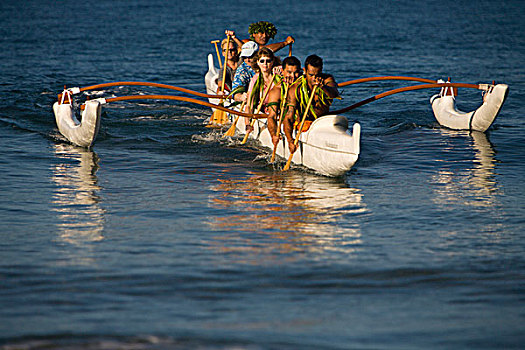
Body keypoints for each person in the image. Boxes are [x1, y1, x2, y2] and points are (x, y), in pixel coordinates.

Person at [283, 55, 340, 154]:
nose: (314, 78)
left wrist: (323, 88)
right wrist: (290, 141)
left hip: (322, 123)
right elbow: (288, 117)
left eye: (317, 75)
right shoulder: (295, 88)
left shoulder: (327, 80)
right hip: (303, 125)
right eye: (310, 75)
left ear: (321, 70)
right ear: (304, 71)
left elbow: (334, 93)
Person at [266, 56, 302, 148]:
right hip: (288, 121)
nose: (293, 76)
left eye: (296, 72)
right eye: (289, 72)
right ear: (282, 71)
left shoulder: (303, 83)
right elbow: (272, 116)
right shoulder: (276, 90)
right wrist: (274, 134)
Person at [244, 47, 282, 132]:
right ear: (257, 62)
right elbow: (249, 105)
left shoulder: (278, 75)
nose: (265, 64)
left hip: (278, 113)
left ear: (272, 62)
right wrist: (247, 123)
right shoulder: (255, 79)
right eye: (262, 61)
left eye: (268, 61)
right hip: (264, 113)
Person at [225, 21, 294, 54]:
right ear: (254, 34)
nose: (264, 36)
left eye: (267, 33)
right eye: (261, 32)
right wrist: (285, 43)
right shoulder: (247, 43)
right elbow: (264, 50)